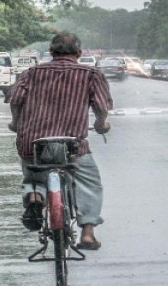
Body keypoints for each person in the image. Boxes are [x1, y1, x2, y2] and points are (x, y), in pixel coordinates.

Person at [6, 33, 112, 250]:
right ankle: (88, 233)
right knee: (88, 182)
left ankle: (35, 195)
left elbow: (15, 100)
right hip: (72, 145)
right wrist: (102, 123)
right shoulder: (91, 74)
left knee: (33, 175)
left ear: (52, 52)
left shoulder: (31, 73)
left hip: (34, 143)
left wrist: (16, 123)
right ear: (79, 53)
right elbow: (101, 106)